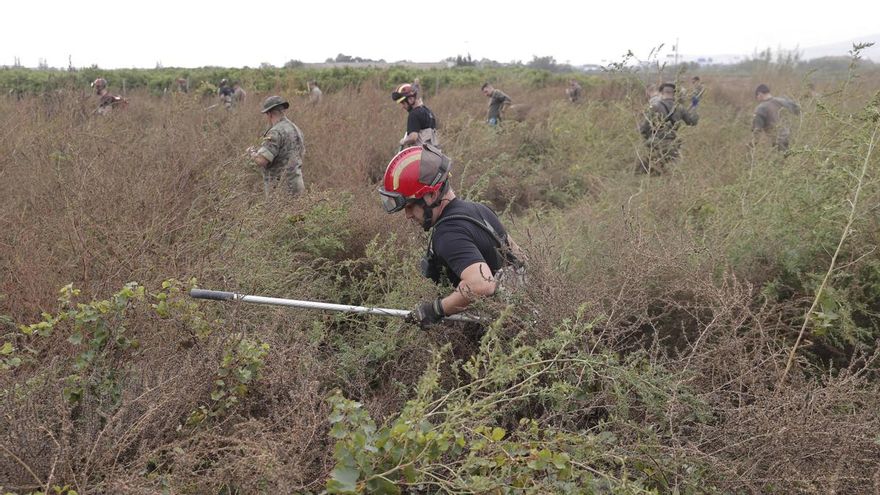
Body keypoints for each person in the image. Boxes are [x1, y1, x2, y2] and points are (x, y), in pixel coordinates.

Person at [377, 145, 524, 328]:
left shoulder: (447, 234)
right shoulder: (480, 209)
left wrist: (435, 310)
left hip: (496, 334)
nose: (407, 215)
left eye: (410, 206)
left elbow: (482, 285)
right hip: (518, 317)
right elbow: (519, 256)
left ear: (431, 194)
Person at [247, 96, 306, 197]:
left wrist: (251, 153)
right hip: (297, 185)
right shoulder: (296, 129)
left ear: (269, 114)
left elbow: (262, 160)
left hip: (280, 189)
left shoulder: (275, 132)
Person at [637, 82, 699, 175]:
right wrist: (694, 107)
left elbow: (643, 129)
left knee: (642, 173)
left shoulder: (654, 107)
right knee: (674, 174)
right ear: (674, 93)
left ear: (661, 93)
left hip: (655, 145)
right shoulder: (680, 108)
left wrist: (646, 140)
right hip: (673, 146)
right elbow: (692, 122)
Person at [752, 84, 801, 151]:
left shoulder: (761, 108)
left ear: (760, 94)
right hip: (792, 139)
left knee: (779, 160)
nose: (757, 99)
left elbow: (757, 130)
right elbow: (798, 110)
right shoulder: (784, 101)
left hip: (776, 142)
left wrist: (753, 146)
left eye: (757, 97)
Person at [391, 83, 439, 149]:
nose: (402, 107)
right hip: (435, 153)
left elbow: (413, 137)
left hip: (421, 155)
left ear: (410, 99)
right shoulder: (428, 112)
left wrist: (403, 141)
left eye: (403, 103)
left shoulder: (414, 114)